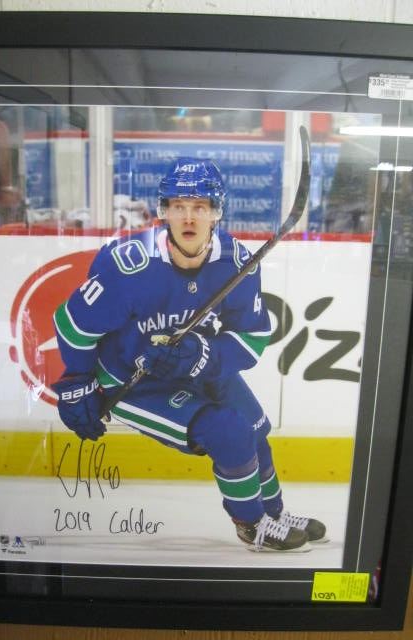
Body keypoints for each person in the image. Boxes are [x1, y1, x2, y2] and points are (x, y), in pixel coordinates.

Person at [52, 157, 327, 552]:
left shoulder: (237, 264)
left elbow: (252, 339)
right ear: (163, 211)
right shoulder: (129, 266)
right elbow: (72, 324)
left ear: (216, 213)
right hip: (133, 381)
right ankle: (251, 524)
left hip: (196, 366)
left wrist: (202, 356)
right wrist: (78, 381)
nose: (188, 217)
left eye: (200, 207)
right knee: (228, 431)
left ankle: (274, 514)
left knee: (254, 427)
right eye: (179, 206)